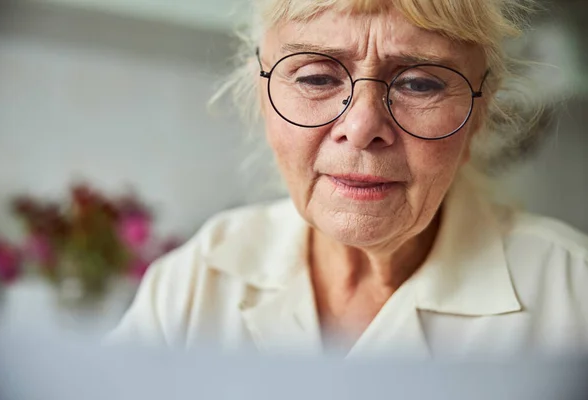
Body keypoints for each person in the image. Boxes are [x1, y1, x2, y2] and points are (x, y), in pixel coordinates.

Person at [108, 0, 588, 358]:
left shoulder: (570, 298)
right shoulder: (197, 283)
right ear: (261, 93)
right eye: (316, 78)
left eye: (420, 83)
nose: (361, 129)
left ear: (479, 114)